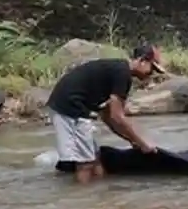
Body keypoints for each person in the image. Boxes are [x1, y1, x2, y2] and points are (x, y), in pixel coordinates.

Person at [46, 44, 166, 183]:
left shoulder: (118, 71)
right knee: (85, 163)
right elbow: (118, 116)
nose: (152, 74)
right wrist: (143, 143)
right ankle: (82, 199)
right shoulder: (122, 74)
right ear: (141, 61)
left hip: (76, 108)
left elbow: (108, 116)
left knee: (95, 160)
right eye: (152, 68)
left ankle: (102, 196)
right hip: (69, 108)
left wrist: (132, 141)